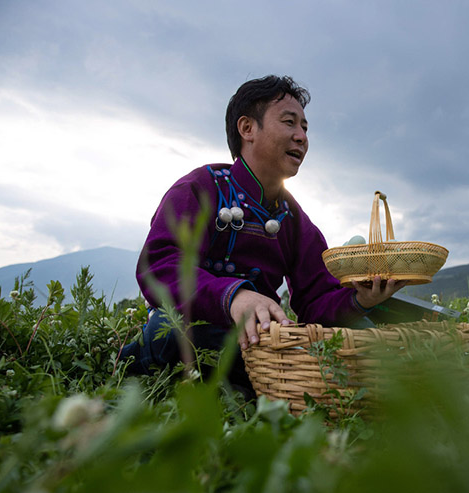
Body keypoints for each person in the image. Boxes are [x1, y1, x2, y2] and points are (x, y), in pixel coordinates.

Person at [119, 75, 406, 390]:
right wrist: (233, 297)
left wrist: (360, 299)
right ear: (247, 129)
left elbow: (316, 301)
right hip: (190, 326)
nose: (301, 137)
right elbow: (158, 266)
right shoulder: (200, 188)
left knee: (359, 336)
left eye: (305, 128)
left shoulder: (295, 219)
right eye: (289, 122)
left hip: (258, 342)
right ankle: (139, 363)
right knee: (178, 332)